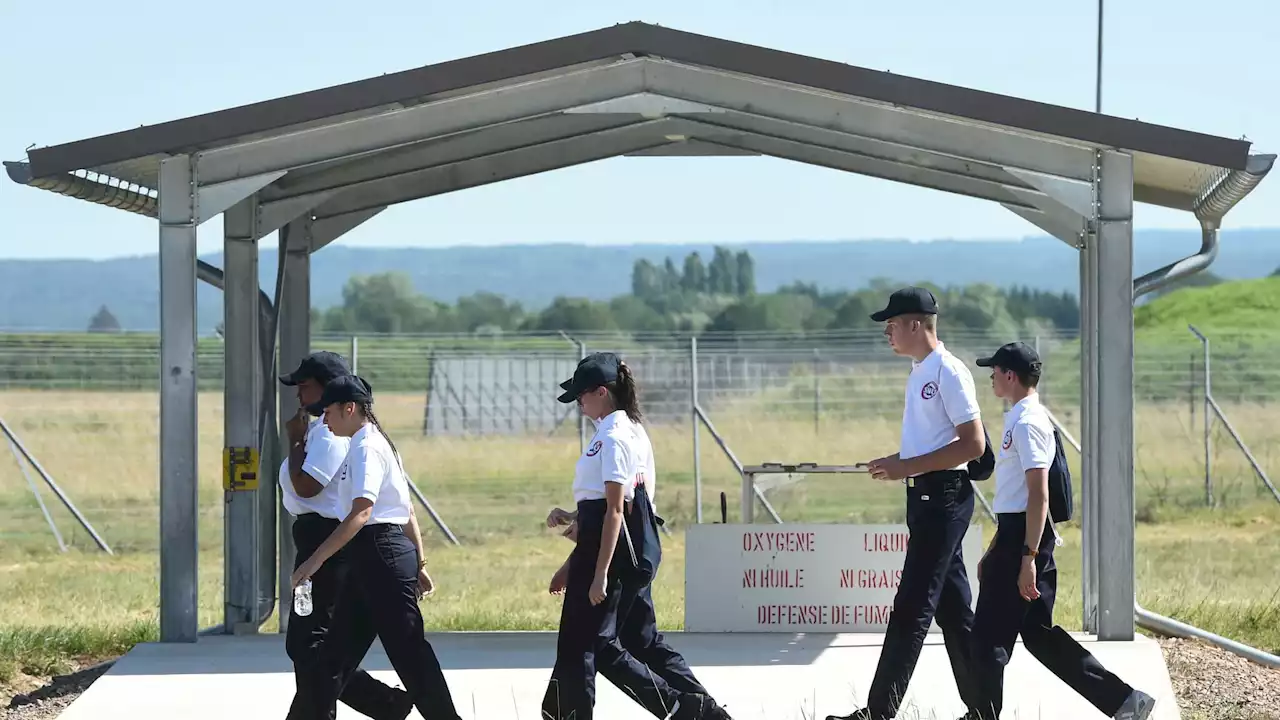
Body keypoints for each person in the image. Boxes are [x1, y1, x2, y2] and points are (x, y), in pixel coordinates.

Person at [965, 342, 1156, 720]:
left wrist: (1028, 557)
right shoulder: (1021, 417)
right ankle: (1125, 703)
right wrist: (999, 547)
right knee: (1040, 637)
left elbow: (1039, 494)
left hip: (1026, 538)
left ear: (1010, 375)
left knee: (987, 635)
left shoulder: (1029, 422)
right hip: (1018, 535)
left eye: (994, 370)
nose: (990, 377)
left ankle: (981, 715)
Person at [541, 352, 732, 720]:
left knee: (596, 645)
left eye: (581, 394)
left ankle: (682, 709)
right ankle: (706, 713)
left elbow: (616, 508)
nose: (578, 402)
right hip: (629, 549)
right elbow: (610, 502)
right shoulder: (627, 429)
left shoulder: (613, 436)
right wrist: (575, 516)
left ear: (601, 392)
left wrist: (596, 571)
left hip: (611, 552)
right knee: (641, 642)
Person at [828, 287, 987, 720]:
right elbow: (934, 441)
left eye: (893, 325)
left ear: (917, 324)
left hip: (944, 499)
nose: (888, 333)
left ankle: (878, 711)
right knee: (954, 611)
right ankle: (984, 707)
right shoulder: (920, 370)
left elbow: (973, 445)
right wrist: (898, 463)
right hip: (925, 497)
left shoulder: (948, 372)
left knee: (912, 607)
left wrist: (909, 467)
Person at [287, 374, 460, 720]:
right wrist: (420, 563)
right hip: (372, 559)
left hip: (381, 556)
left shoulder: (367, 448)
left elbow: (362, 513)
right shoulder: (365, 444)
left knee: (410, 655)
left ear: (349, 408)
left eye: (329, 412)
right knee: (331, 660)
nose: (325, 419)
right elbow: (406, 508)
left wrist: (314, 562)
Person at [278, 351, 413, 720]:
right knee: (311, 643)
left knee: (311, 642)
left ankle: (376, 704)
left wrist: (293, 442)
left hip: (325, 538)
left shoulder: (327, 433)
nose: (298, 396)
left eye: (304, 387)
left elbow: (306, 486)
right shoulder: (325, 429)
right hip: (318, 536)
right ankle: (380, 704)